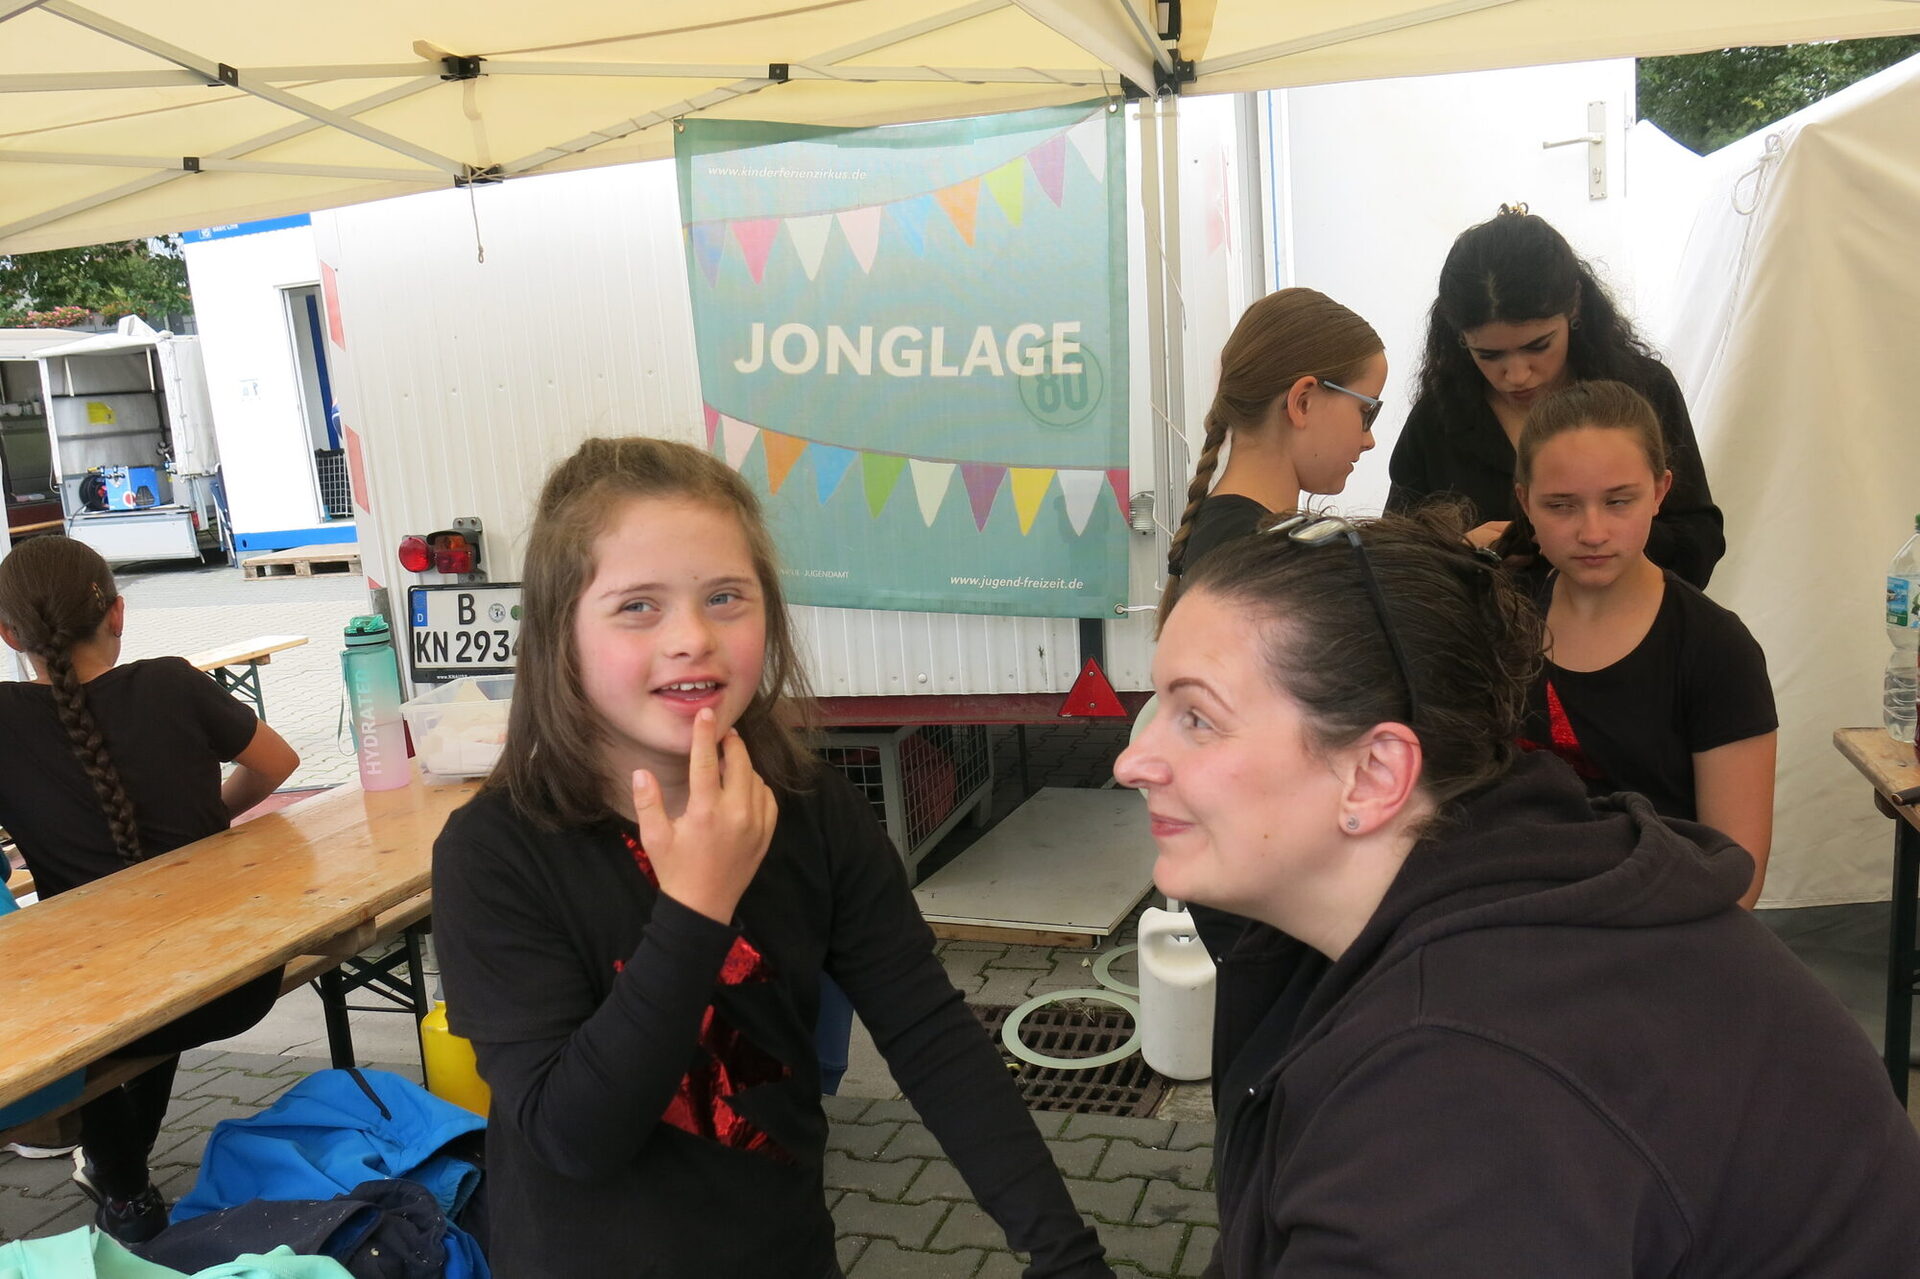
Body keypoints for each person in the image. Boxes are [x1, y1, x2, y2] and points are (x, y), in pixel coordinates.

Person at [1114, 509, 1920, 1276]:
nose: (1132, 761)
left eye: (1198, 718)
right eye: (1160, 706)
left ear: (1375, 774)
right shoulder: (1473, 882)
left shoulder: (1461, 1088)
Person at [431, 438, 1114, 1279]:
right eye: (637, 606)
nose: (693, 637)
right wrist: (694, 910)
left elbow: (931, 1036)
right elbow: (572, 1136)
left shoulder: (811, 808)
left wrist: (1065, 1251)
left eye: (725, 597)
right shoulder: (495, 854)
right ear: (558, 633)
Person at [0, 536, 299, 1244]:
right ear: (117, 613)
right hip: (240, 978)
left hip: (116, 1003)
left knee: (91, 1001)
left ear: (9, 634)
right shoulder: (171, 682)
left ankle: (125, 1187)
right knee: (136, 984)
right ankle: (120, 1178)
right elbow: (278, 762)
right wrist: (209, 818)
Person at [1513, 379, 1777, 907]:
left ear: (1659, 492)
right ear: (1525, 501)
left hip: (1663, 923)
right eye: (1562, 506)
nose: (1592, 532)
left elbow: (1737, 879)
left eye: (1618, 501)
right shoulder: (1499, 621)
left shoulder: (1717, 650)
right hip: (1514, 912)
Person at [1387, 205, 1726, 588]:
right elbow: (1395, 565)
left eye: (1538, 346)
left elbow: (1699, 544)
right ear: (1459, 339)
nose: (1516, 375)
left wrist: (1597, 543)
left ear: (1574, 308)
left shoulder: (1645, 389)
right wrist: (1458, 553)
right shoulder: (1438, 418)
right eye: (1489, 355)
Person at [1157, 287, 1385, 622]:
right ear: (1302, 402)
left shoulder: (1231, 538)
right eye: (1367, 412)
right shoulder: (1260, 562)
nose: (1369, 440)